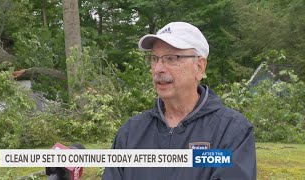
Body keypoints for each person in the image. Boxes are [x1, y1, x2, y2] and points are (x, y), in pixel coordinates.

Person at [102, 22, 256, 180]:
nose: (158, 68)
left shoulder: (231, 131)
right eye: (154, 58)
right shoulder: (131, 132)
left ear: (199, 67)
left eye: (171, 58)